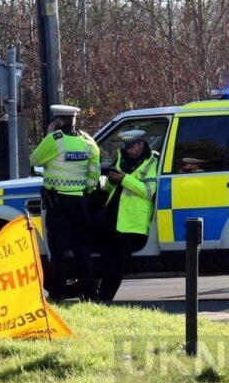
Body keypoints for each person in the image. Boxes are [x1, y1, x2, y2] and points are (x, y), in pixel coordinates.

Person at [28, 104, 101, 300]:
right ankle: (91, 293)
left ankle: (58, 293)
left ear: (58, 120)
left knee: (58, 250)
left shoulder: (54, 140)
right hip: (80, 202)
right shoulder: (88, 142)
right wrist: (85, 189)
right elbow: (94, 174)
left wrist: (48, 135)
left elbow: (34, 159)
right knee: (82, 249)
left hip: (58, 203)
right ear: (74, 120)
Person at [94, 130, 159, 302]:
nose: (128, 150)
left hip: (133, 224)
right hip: (114, 219)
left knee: (116, 263)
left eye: (131, 146)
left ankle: (103, 299)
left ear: (141, 144)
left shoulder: (152, 162)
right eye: (126, 146)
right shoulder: (121, 158)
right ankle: (95, 295)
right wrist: (111, 181)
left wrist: (124, 179)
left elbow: (148, 191)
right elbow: (111, 189)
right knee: (104, 258)